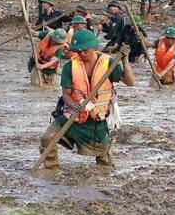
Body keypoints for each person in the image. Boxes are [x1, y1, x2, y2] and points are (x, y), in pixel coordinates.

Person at [39, 30, 135, 169]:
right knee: (48, 138)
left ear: (94, 48)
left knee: (103, 156)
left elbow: (130, 82)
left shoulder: (109, 64)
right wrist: (74, 105)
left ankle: (104, 176)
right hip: (73, 116)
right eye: (78, 51)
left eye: (85, 51)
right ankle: (52, 169)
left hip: (96, 119)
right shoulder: (70, 67)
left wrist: (125, 62)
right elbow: (66, 94)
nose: (82, 54)